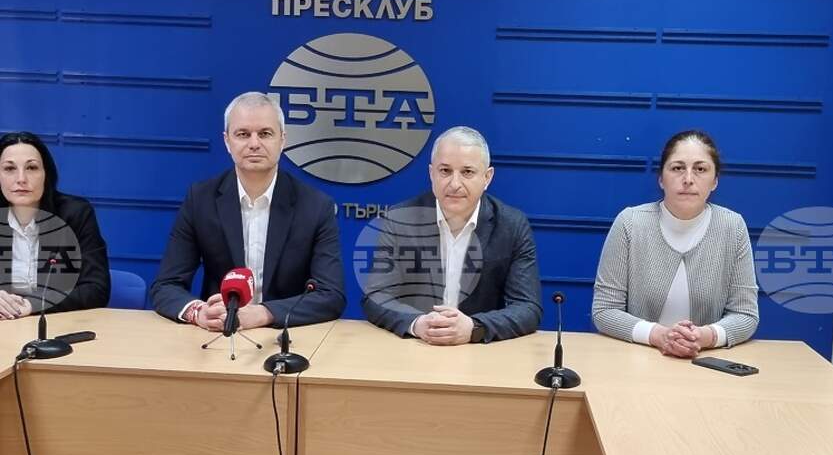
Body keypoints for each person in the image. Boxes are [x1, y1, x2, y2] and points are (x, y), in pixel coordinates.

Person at [150, 92, 345, 330]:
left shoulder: (315, 206)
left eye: (265, 133)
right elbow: (166, 285)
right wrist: (198, 313)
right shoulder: (200, 199)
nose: (254, 144)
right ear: (227, 141)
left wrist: (265, 313)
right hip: (219, 332)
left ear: (282, 140)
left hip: (286, 335)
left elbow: (331, 295)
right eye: (243, 134)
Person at [361, 126, 542, 344]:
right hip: (415, 346)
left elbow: (528, 307)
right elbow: (376, 296)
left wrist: (474, 327)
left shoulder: (511, 225)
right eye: (445, 171)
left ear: (487, 177)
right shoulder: (399, 220)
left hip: (478, 351)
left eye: (467, 172)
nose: (455, 184)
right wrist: (417, 323)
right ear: (431, 174)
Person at [592, 130, 759, 357]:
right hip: (637, 359)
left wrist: (703, 337)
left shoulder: (733, 226)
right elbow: (605, 310)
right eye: (678, 168)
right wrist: (659, 336)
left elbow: (746, 315)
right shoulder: (630, 223)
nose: (688, 179)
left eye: (700, 169)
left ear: (715, 181)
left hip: (706, 362)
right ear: (661, 178)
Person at [0, 131, 110, 319]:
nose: (21, 179)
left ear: (46, 174)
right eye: (9, 168)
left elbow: (96, 289)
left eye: (31, 168)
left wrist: (33, 304)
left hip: (58, 324)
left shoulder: (75, 214)